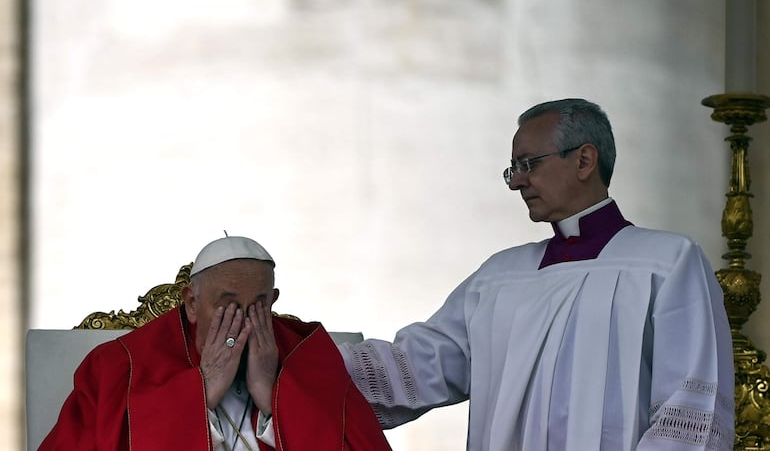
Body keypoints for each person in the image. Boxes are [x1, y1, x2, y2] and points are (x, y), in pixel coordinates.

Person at [337, 98, 735, 450]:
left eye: (528, 164)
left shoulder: (667, 263)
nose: (518, 182)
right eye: (512, 169)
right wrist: (295, 358)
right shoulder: (499, 277)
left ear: (583, 160)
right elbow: (420, 365)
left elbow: (688, 413)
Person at [40, 235, 392, 451]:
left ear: (274, 299)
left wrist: (275, 398)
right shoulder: (120, 366)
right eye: (226, 306)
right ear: (192, 302)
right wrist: (199, 392)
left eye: (258, 306)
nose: (242, 322)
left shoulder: (309, 358)